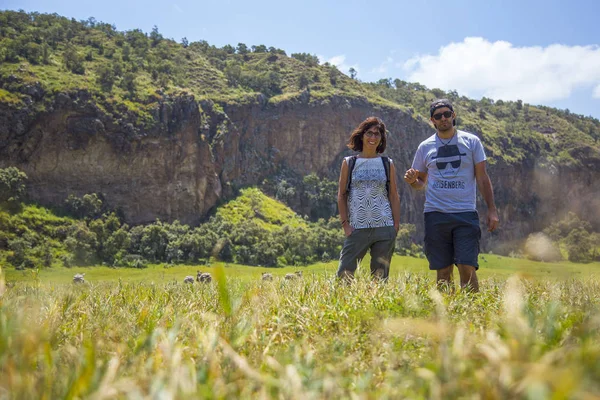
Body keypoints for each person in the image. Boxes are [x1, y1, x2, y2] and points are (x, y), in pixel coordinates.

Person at [404, 99, 499, 292]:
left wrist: (492, 209)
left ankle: (473, 315)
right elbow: (420, 183)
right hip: (435, 214)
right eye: (438, 116)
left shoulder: (471, 142)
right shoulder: (425, 147)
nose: (444, 118)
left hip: (465, 213)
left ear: (453, 115)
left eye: (447, 114)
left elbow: (482, 178)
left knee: (467, 267)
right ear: (433, 121)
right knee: (443, 271)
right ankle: (446, 315)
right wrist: (413, 180)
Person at [337, 117, 401, 281]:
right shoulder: (349, 163)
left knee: (380, 279)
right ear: (361, 135)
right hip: (357, 227)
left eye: (377, 134)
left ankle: (376, 307)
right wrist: (346, 225)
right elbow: (342, 194)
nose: (373, 138)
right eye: (369, 133)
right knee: (344, 275)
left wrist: (395, 226)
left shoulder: (387, 163)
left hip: (384, 227)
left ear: (381, 139)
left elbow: (393, 195)